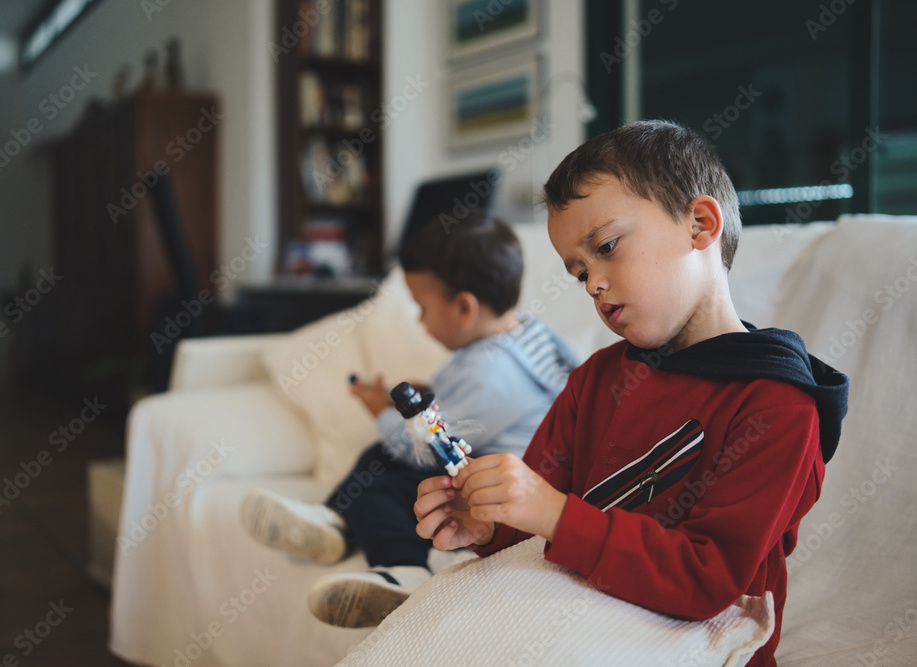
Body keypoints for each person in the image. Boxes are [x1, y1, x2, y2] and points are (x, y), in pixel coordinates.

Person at [414, 120, 849, 667]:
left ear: (700, 224)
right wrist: (489, 521)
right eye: (579, 272)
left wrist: (549, 512)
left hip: (700, 639)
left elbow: (705, 579)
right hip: (576, 605)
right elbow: (541, 507)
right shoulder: (596, 378)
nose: (593, 283)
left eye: (607, 247)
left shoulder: (779, 406)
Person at [240, 210, 579, 628]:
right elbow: (468, 407)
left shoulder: (492, 373)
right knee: (380, 459)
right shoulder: (526, 335)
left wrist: (383, 412)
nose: (419, 322)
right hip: (495, 460)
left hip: (495, 486)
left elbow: (422, 447)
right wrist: (429, 396)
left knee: (384, 477)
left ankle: (403, 569)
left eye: (421, 309)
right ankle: (335, 520)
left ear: (464, 308)